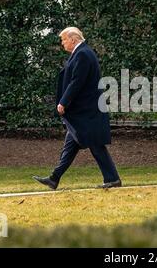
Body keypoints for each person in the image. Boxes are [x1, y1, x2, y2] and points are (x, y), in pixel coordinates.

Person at [33, 27, 121, 189]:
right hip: (85, 111)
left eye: (64, 40)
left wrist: (63, 102)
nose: (62, 43)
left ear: (73, 39)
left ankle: (112, 179)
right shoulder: (83, 53)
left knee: (95, 144)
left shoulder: (82, 54)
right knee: (71, 144)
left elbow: (77, 82)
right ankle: (54, 178)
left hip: (87, 111)